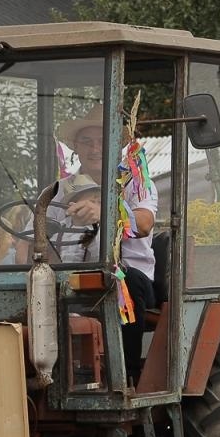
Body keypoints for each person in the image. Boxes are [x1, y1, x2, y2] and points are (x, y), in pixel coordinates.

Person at [54, 104, 158, 381]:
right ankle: (49, 372)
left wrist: (103, 212)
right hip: (71, 275)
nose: (94, 148)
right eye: (86, 141)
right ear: (76, 146)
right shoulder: (59, 190)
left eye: (102, 140)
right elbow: (30, 238)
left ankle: (125, 376)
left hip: (129, 278)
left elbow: (145, 223)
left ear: (115, 144)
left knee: (124, 280)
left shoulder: (135, 184)